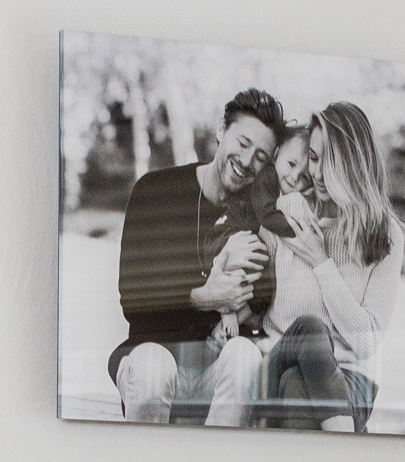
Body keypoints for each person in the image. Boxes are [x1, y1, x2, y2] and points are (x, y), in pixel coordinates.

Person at [108, 90, 286, 426]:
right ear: (221, 129)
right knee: (153, 368)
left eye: (261, 156)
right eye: (243, 142)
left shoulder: (256, 216)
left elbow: (266, 294)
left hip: (215, 370)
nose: (247, 161)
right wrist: (205, 296)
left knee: (246, 355)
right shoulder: (155, 190)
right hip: (151, 357)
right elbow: (132, 296)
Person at [257, 103, 405, 432]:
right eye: (313, 157)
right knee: (310, 330)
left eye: (329, 160)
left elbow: (366, 342)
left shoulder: (386, 235)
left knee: (298, 386)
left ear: (352, 164)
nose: (317, 172)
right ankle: (350, 451)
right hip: (281, 359)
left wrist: (320, 261)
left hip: (350, 378)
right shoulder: (288, 216)